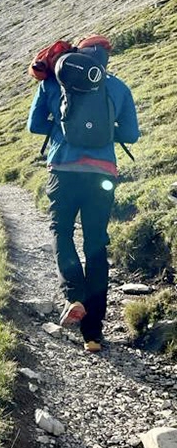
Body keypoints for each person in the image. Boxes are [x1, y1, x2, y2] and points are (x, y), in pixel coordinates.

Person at [27, 34, 140, 354]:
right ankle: (93, 333)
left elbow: (35, 126)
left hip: (63, 171)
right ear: (106, 58)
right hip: (102, 175)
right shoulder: (118, 87)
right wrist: (106, 130)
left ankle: (73, 295)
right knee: (95, 243)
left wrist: (62, 125)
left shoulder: (54, 82)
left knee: (61, 231)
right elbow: (130, 134)